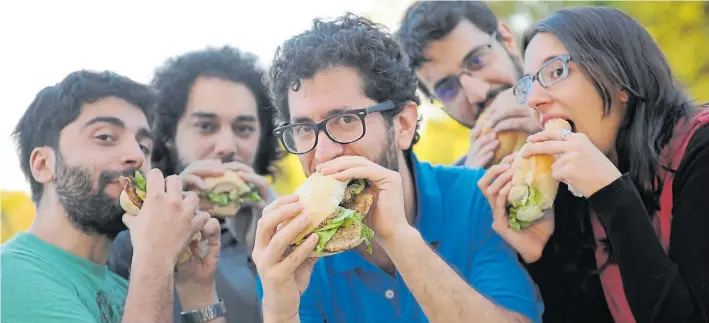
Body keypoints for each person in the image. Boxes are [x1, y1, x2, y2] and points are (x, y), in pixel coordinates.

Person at [252, 13, 543, 323]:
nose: (322, 154)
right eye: (304, 129)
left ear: (403, 124)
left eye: (346, 120)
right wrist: (281, 313)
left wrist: (399, 238)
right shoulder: (291, 251)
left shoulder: (480, 196)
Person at [478, 6, 709, 323]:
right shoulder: (576, 193)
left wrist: (612, 195)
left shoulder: (701, 151)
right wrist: (543, 255)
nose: (533, 99)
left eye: (555, 72)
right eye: (529, 84)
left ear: (620, 79)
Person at [2, 70, 226, 323]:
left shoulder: (123, 288)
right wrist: (156, 257)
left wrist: (198, 290)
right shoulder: (10, 274)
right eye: (105, 137)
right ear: (43, 164)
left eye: (144, 146)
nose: (137, 156)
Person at [108, 46, 282, 323]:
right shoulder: (126, 238)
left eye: (244, 128)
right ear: (166, 135)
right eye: (206, 126)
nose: (227, 147)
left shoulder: (290, 226)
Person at [396, 1, 541, 169]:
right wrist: (471, 187)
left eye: (477, 60)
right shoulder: (460, 185)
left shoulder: (577, 102)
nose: (478, 95)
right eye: (448, 88)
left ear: (507, 41)